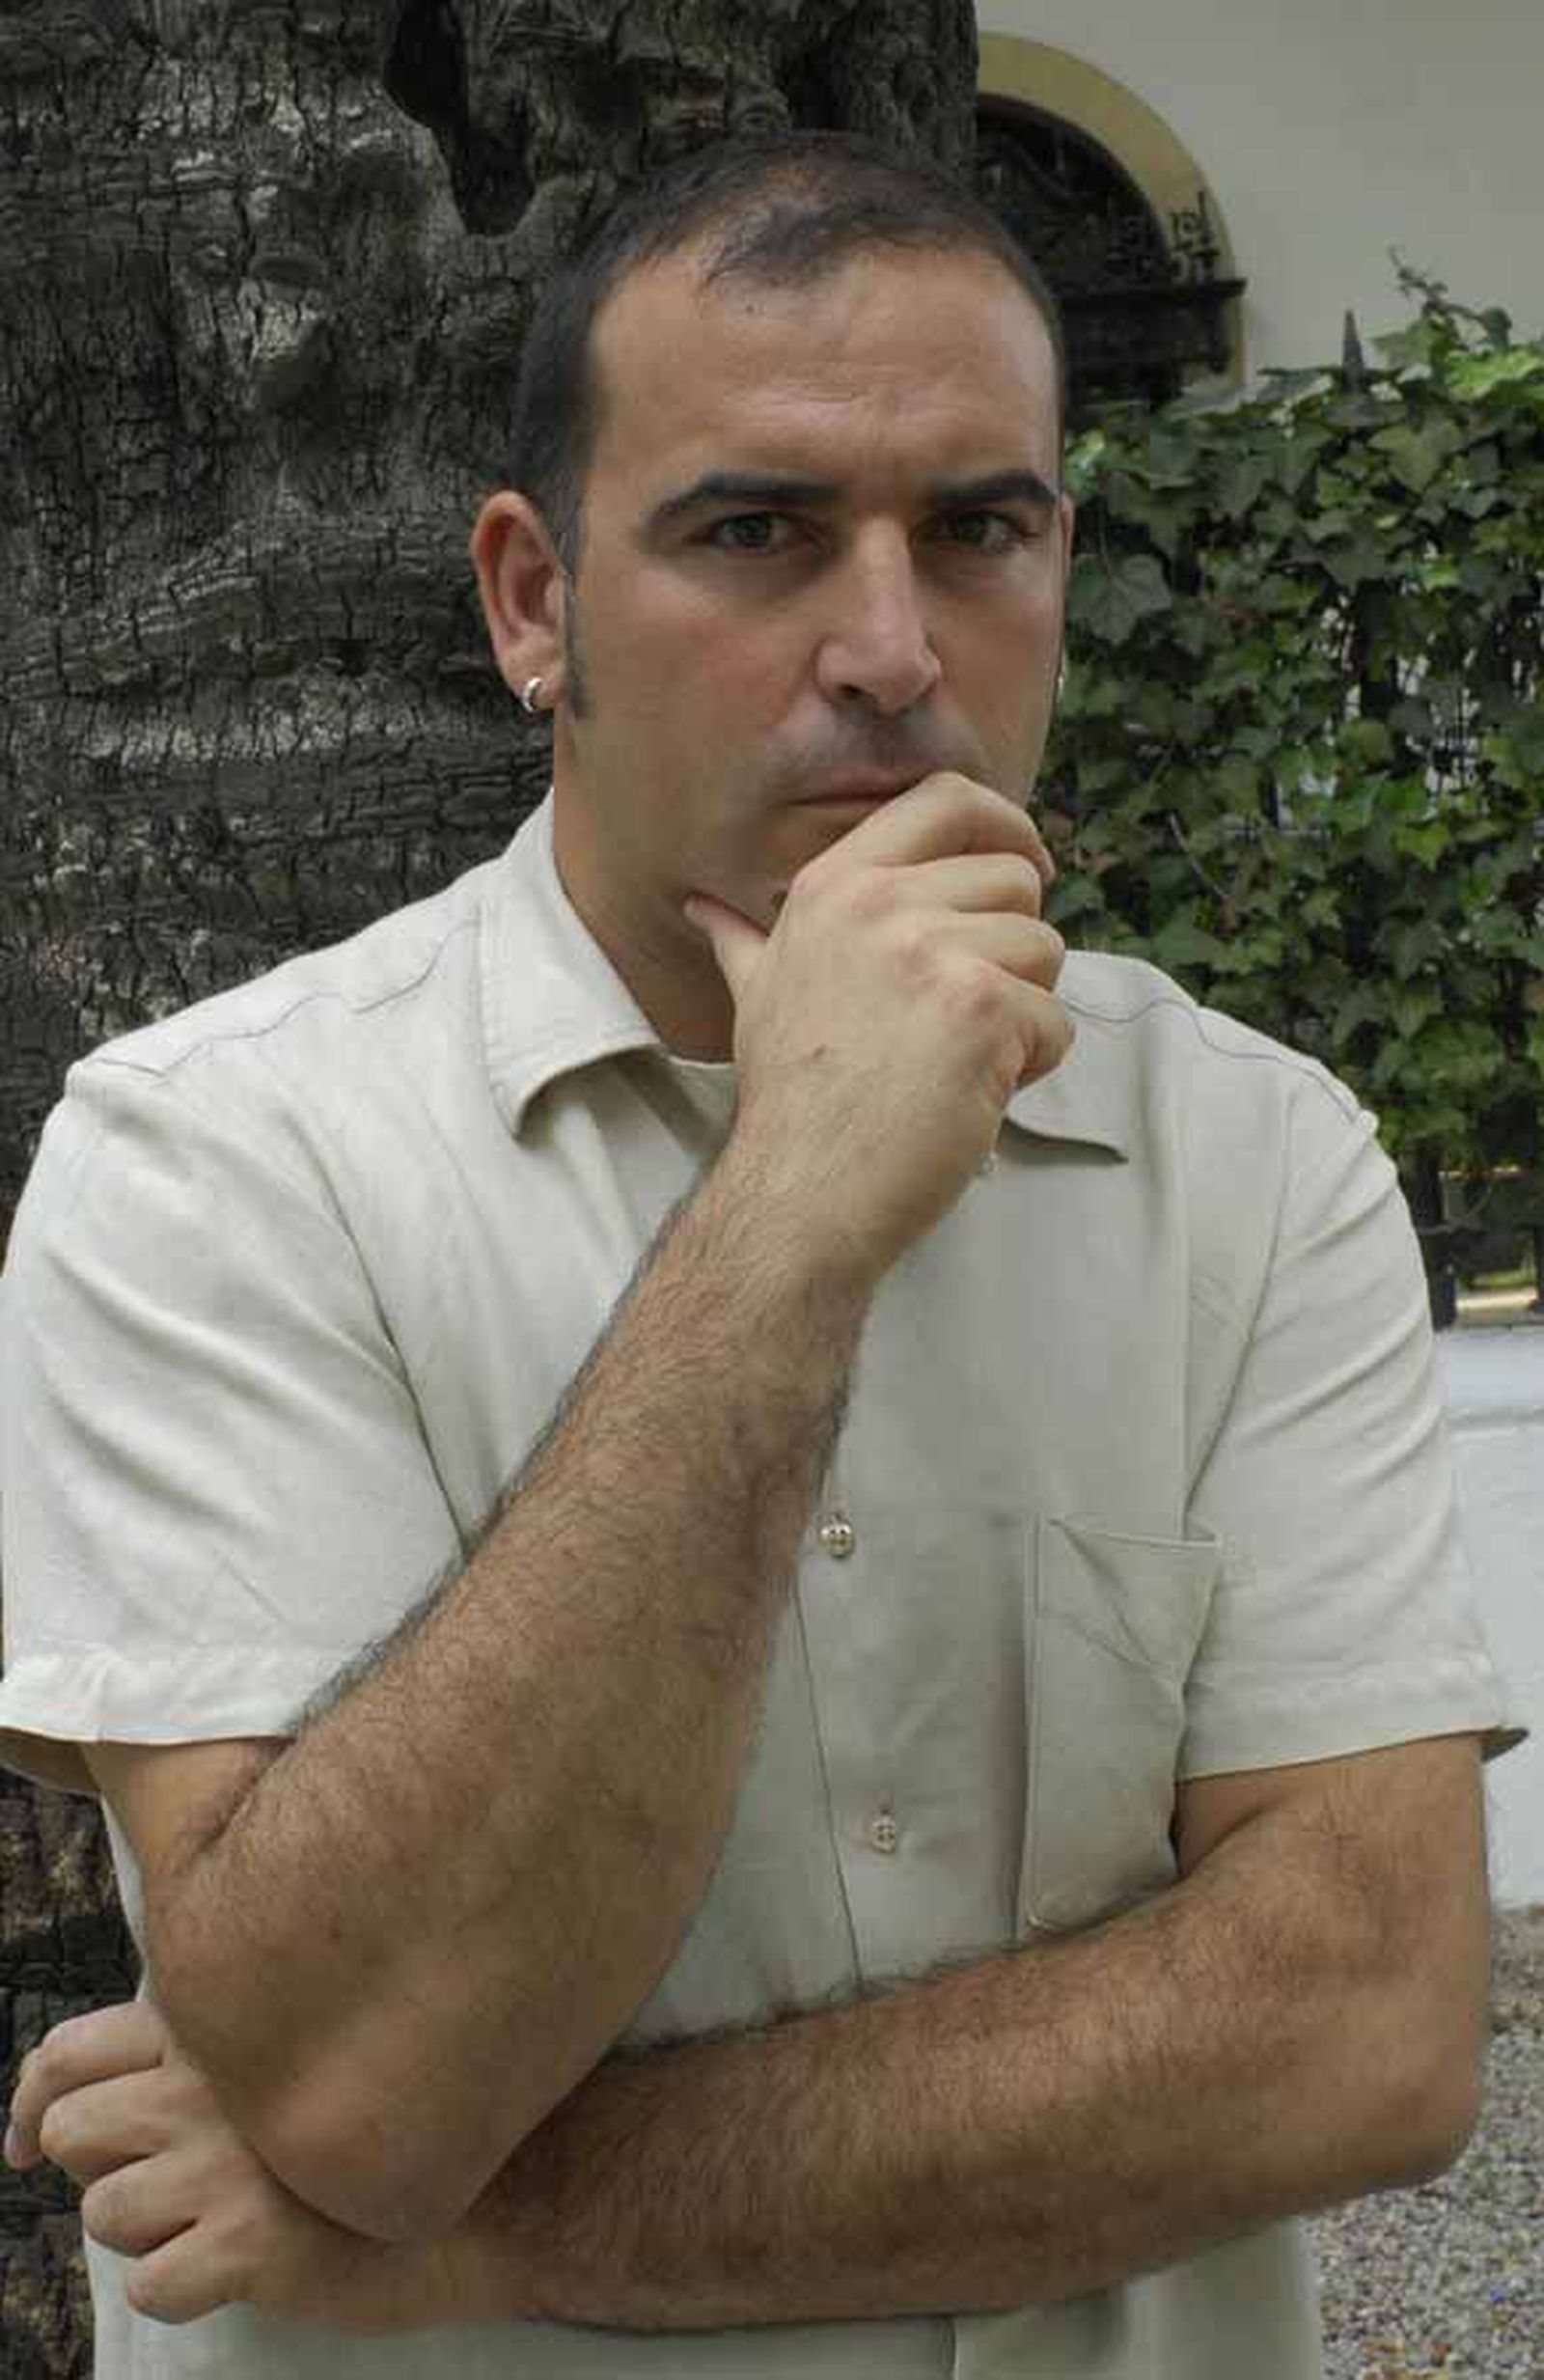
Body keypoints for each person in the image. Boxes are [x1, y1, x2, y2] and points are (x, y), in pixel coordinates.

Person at [0, 131, 1517, 2380]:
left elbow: (1359, 2035)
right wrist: (789, 1212)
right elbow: (357, 2070)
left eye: (978, 530)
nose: (891, 653)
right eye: (755, 531)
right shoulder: (214, 1161)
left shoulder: (1250, 1153)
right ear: (533, 603)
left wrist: (488, 2227)